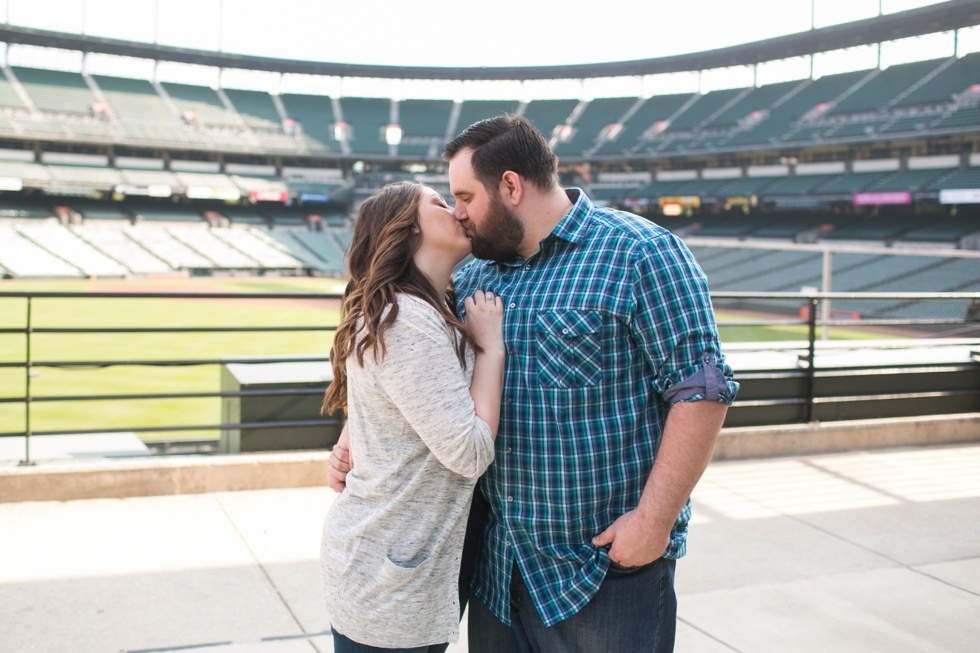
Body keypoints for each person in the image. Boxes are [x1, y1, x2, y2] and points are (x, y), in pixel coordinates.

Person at [330, 115, 738, 652]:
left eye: (464, 196)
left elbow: (701, 387)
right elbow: (408, 369)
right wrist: (352, 436)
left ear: (511, 186)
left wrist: (654, 520)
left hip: (599, 569)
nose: (458, 212)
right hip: (497, 570)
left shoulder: (640, 252)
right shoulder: (472, 272)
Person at [320, 181, 505, 652]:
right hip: (390, 577)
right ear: (408, 229)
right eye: (440, 204)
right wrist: (491, 350)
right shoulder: (405, 319)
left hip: (393, 564)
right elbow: (469, 453)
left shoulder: (423, 308)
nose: (458, 211)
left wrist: (349, 438)